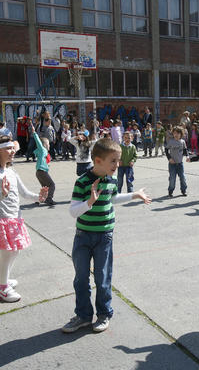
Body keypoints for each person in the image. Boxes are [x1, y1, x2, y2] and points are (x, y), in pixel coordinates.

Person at [62, 139, 151, 333]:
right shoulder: (82, 181)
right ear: (98, 160)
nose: (117, 165)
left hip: (104, 236)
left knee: (102, 277)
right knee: (81, 278)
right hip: (83, 236)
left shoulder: (111, 180)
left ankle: (103, 314)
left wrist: (134, 195)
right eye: (113, 161)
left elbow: (112, 198)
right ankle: (83, 316)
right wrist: (89, 202)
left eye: (118, 161)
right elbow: (73, 211)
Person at [0, 136, 48, 302]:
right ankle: (2, 287)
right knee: (7, 253)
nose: (13, 152)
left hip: (14, 219)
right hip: (1, 219)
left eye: (13, 148)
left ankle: (2, 280)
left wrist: (39, 197)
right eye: (9, 148)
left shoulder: (11, 171)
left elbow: (25, 193)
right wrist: (2, 194)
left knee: (15, 251)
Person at [31, 125, 56, 206]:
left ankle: (40, 199)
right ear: (44, 145)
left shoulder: (43, 152)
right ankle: (49, 199)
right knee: (52, 185)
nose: (49, 145)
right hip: (42, 171)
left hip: (39, 172)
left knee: (45, 188)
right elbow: (38, 141)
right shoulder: (42, 150)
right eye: (48, 144)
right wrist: (34, 133)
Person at [166, 126, 189, 197]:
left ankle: (183, 190)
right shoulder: (170, 141)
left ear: (181, 134)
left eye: (178, 133)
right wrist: (169, 158)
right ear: (173, 134)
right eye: (174, 133)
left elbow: (185, 150)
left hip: (180, 164)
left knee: (182, 177)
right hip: (172, 164)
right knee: (172, 178)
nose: (176, 135)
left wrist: (187, 156)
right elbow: (166, 150)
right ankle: (170, 190)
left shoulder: (182, 142)